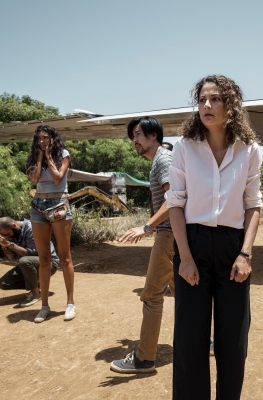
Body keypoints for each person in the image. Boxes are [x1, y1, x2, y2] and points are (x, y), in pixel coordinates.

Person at [166, 75, 263, 400]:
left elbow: (253, 204)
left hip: (233, 248)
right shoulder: (184, 147)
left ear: (231, 105)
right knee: (189, 339)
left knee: (233, 340)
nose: (207, 105)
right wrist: (185, 257)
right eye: (202, 100)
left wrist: (245, 254)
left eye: (215, 99)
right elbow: (175, 203)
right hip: (192, 245)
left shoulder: (249, 149)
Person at [110, 117, 175, 374]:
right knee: (185, 295)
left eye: (138, 134)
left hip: (168, 235)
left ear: (153, 135)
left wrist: (146, 227)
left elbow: (174, 198)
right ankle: (205, 341)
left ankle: (145, 358)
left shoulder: (163, 159)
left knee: (151, 296)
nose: (134, 140)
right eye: (132, 136)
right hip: (175, 235)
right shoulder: (161, 159)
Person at [26, 125, 76, 323]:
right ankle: (44, 306)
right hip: (38, 206)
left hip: (59, 205)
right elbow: (33, 180)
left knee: (64, 257)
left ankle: (70, 303)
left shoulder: (63, 154)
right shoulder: (33, 157)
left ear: (53, 139)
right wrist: (39, 158)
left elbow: (57, 179)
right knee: (44, 258)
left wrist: (48, 156)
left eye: (46, 137)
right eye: (39, 138)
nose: (42, 141)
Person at [0, 217, 60, 307]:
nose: (8, 237)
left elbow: (30, 253)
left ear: (14, 226)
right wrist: (5, 246)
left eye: (8, 234)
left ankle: (35, 293)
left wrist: (8, 243)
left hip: (49, 263)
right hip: (29, 265)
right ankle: (37, 284)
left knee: (24, 261)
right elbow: (12, 257)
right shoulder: (12, 234)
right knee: (4, 283)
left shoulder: (31, 228)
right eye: (5, 235)